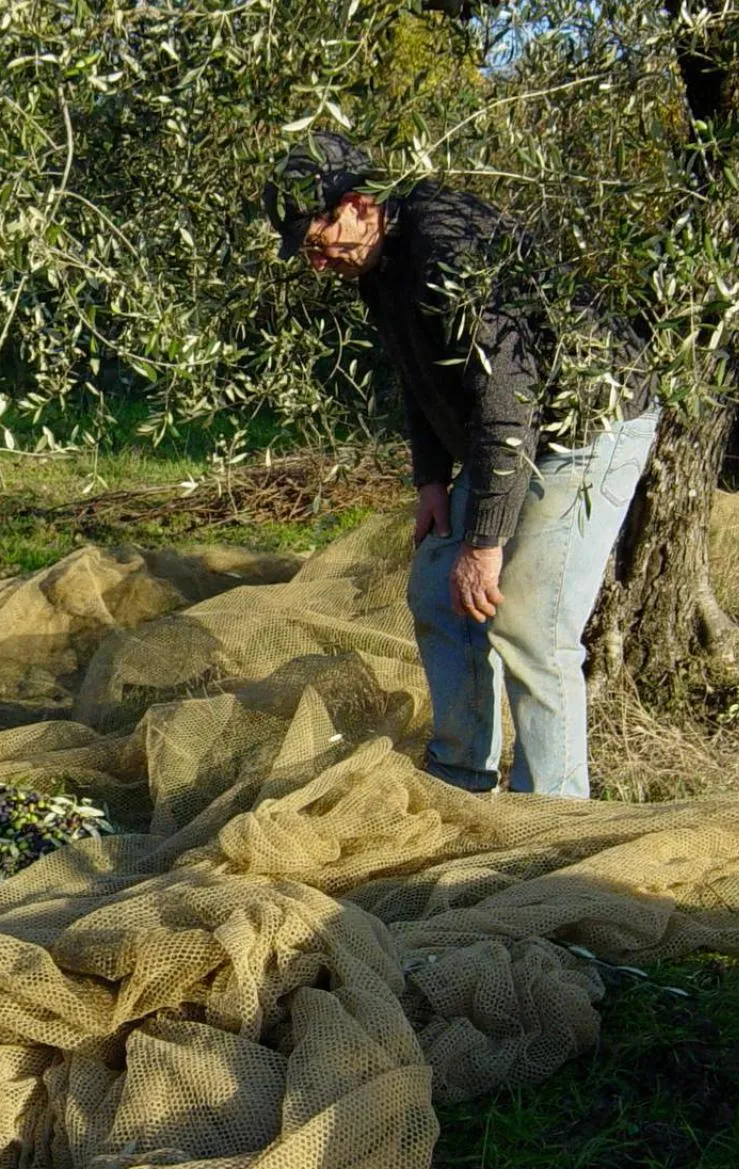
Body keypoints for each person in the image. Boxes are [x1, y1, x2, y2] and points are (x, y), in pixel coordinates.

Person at [264, 132, 659, 797]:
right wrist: (430, 482)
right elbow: (421, 374)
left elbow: (508, 400)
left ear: (358, 205)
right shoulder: (379, 262)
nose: (316, 264)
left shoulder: (446, 253)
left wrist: (485, 542)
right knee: (433, 589)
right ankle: (460, 779)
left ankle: (553, 823)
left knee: (530, 623)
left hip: (585, 425)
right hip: (505, 434)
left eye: (317, 241)